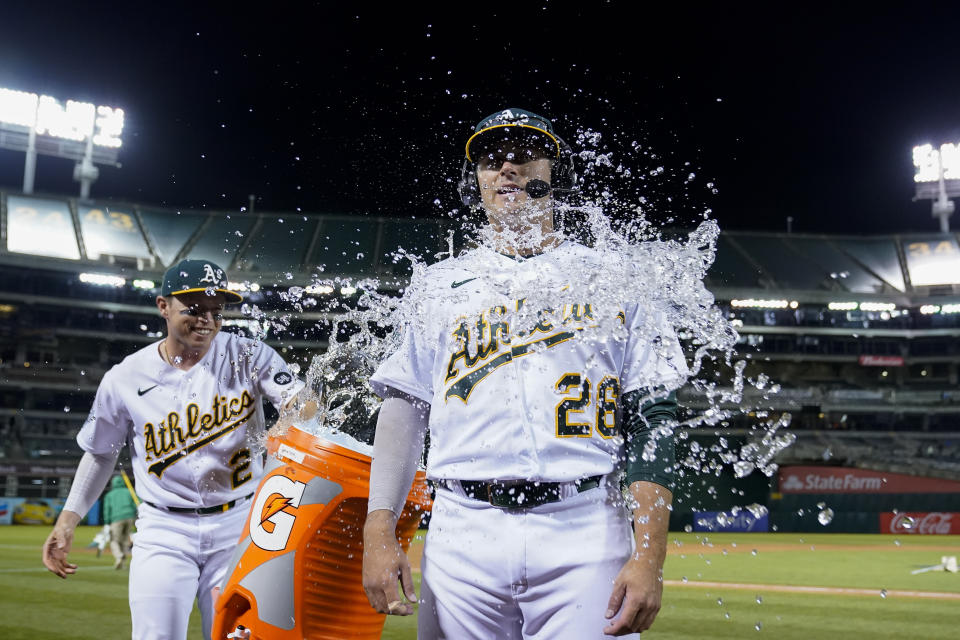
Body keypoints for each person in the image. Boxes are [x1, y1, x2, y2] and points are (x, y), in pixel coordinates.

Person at [362, 108, 689, 639]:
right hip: (461, 530)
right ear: (479, 182)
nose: (507, 166)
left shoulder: (614, 275)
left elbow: (655, 413)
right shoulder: (437, 284)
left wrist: (649, 554)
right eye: (492, 159)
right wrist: (380, 527)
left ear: (555, 173)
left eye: (524, 154)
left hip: (585, 524)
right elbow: (405, 407)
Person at [42, 259, 306, 640]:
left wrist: (284, 426)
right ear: (163, 306)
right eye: (195, 310)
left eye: (217, 311)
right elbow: (101, 453)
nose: (208, 320)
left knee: (242, 636)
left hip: (245, 523)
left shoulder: (248, 354)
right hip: (164, 528)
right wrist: (68, 520)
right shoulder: (125, 377)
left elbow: (305, 403)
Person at [102, 474, 138, 569]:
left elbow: (107, 509)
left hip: (116, 518)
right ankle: (123, 563)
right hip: (130, 517)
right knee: (125, 540)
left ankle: (119, 556)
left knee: (114, 540)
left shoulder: (109, 495)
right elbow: (137, 503)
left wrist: (106, 522)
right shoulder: (129, 492)